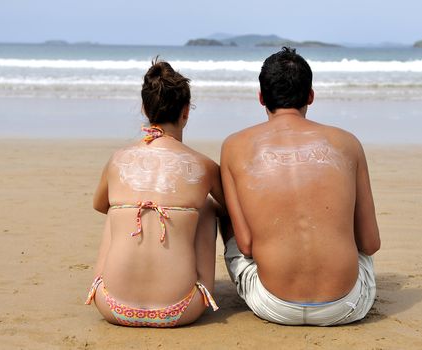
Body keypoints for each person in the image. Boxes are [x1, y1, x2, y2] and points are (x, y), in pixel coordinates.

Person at [220, 47, 381, 326]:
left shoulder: (235, 146)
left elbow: (245, 245)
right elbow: (370, 243)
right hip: (347, 305)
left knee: (224, 212)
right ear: (310, 96)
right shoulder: (347, 143)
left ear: (261, 98)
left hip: (274, 304)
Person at [85, 58, 225, 327]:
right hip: (182, 310)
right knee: (206, 206)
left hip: (111, 305)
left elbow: (99, 204)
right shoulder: (203, 166)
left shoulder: (118, 159)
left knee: (117, 208)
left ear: (144, 108)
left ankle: (109, 280)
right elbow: (231, 207)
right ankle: (196, 285)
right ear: (186, 112)